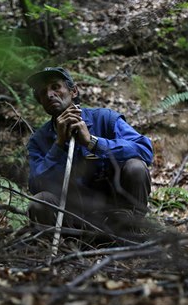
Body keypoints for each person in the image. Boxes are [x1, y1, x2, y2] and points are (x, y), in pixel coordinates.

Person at [25, 67, 153, 237]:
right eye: (43, 92)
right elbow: (35, 184)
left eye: (56, 87)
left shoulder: (104, 119)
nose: (50, 94)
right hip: (71, 221)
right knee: (39, 201)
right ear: (40, 100)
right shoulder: (38, 141)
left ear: (73, 91)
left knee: (136, 167)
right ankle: (66, 247)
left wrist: (93, 142)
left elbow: (144, 149)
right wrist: (58, 146)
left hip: (115, 215)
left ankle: (130, 233)